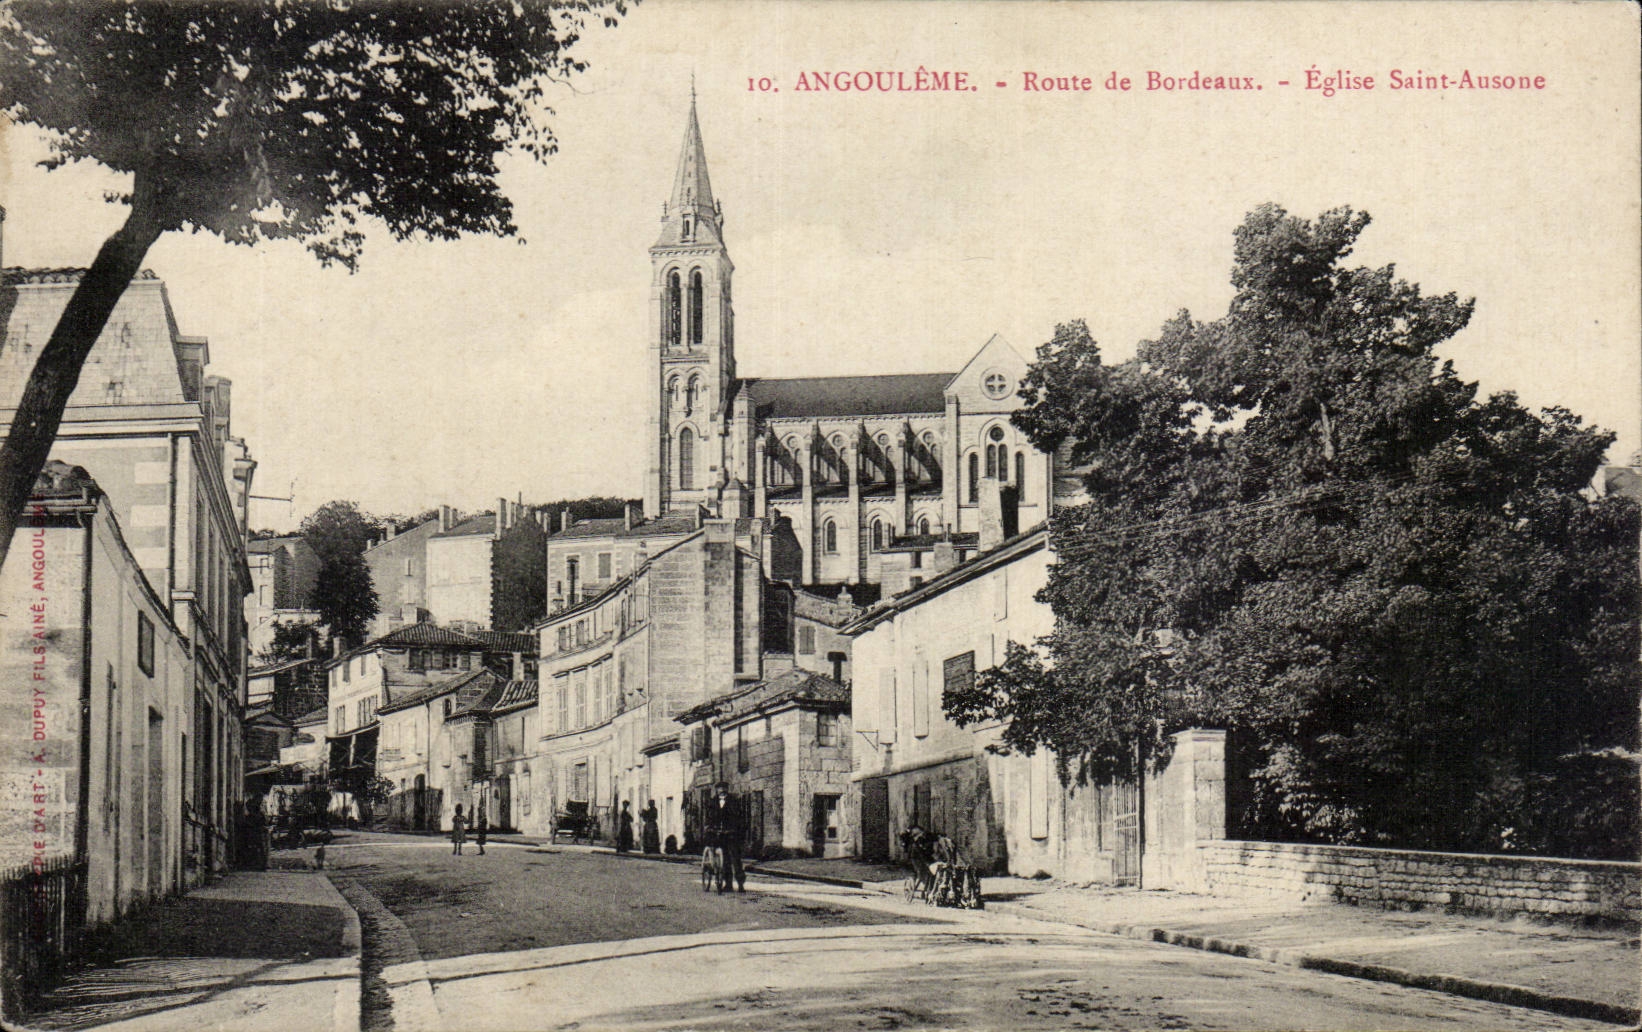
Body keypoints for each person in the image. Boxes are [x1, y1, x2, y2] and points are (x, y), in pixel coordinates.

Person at [704, 782, 745, 893]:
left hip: (731, 834)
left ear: (727, 789)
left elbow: (739, 817)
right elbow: (709, 817)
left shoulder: (734, 801)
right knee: (725, 860)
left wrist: (736, 829)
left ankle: (741, 884)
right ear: (717, 790)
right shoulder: (712, 802)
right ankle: (728, 884)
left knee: (736, 859)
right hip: (719, 834)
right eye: (720, 788)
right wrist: (709, 827)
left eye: (724, 788)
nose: (722, 790)